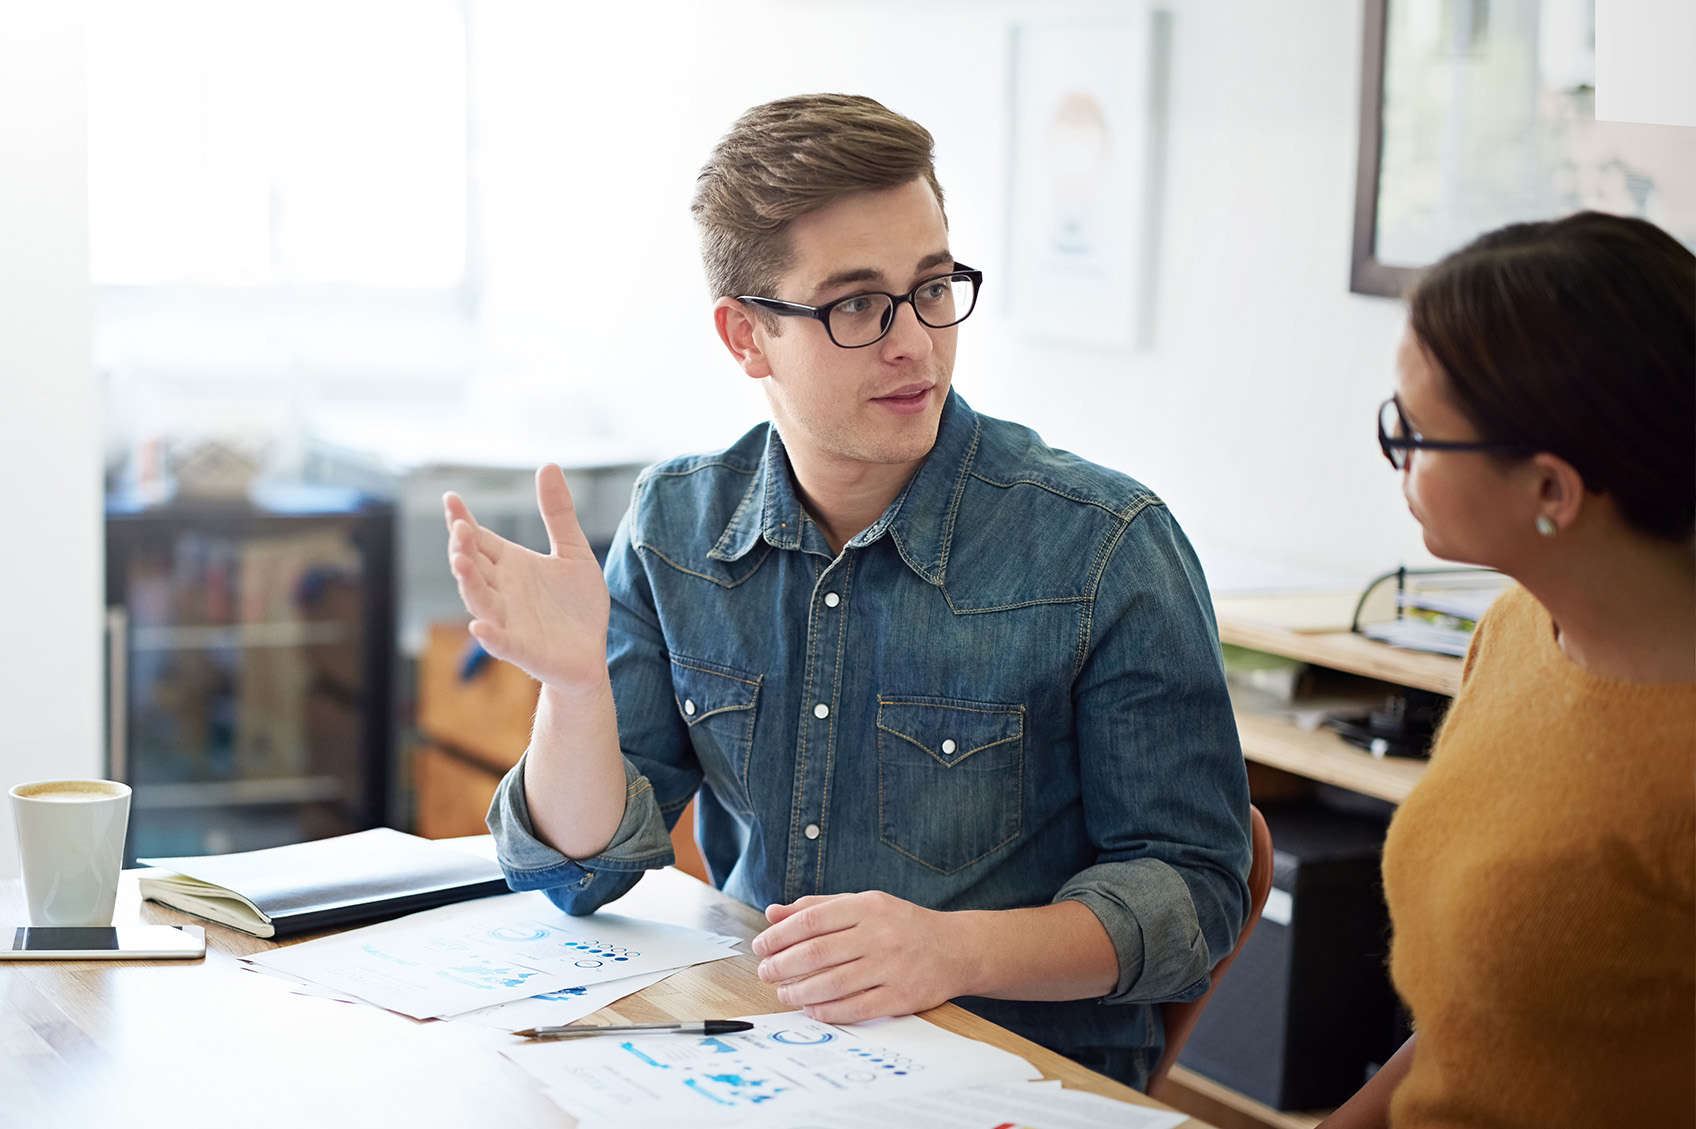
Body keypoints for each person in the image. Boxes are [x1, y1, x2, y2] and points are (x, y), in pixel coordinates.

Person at [443, 93, 1251, 1089]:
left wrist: (952, 950)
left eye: (933, 286)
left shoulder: (1105, 546)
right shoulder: (680, 526)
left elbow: (1195, 894)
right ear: (745, 338)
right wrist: (574, 690)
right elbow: (579, 874)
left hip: (1011, 1079)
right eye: (856, 305)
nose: (914, 341)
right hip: (753, 1062)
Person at [1320, 211, 1695, 1128]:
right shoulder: (1518, 630)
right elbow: (1477, 1030)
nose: (1396, 455)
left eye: (1416, 432)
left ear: (1552, 490)